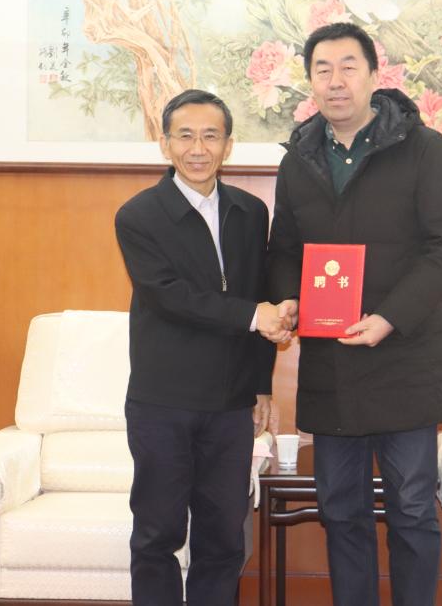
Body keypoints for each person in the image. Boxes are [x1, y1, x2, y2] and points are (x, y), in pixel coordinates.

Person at [267, 23, 442, 606]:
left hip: (405, 360)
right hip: (332, 368)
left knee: (412, 509)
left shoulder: (423, 147)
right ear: (311, 82)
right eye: (323, 70)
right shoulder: (298, 159)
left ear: (375, 76)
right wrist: (289, 299)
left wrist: (388, 317)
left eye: (348, 67)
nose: (336, 81)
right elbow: (284, 250)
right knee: (340, 512)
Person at [115, 89, 290, 606]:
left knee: (224, 539)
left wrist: (260, 385)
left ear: (228, 145)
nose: (198, 148)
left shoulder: (251, 211)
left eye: (211, 136)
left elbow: (259, 295)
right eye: (185, 136)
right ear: (165, 144)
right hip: (162, 402)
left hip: (230, 404)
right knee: (158, 535)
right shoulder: (139, 215)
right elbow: (168, 297)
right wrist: (253, 316)